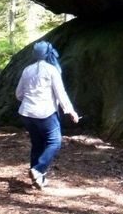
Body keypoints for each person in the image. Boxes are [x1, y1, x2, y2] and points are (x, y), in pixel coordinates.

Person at [15, 41, 79, 189]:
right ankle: (38, 169)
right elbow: (60, 93)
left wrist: (30, 98)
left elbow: (18, 94)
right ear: (49, 53)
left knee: (37, 144)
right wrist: (70, 111)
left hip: (27, 113)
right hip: (45, 113)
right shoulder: (52, 70)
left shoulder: (27, 70)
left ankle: (38, 179)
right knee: (54, 142)